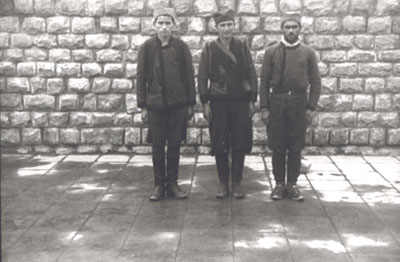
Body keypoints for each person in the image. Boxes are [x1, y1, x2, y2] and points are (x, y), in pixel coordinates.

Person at [259, 13, 321, 201]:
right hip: (277, 102)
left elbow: (316, 82)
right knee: (278, 146)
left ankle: (292, 184)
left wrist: (311, 107)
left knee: (295, 146)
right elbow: (264, 82)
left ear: (300, 29)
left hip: (298, 103)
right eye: (287, 27)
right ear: (282, 29)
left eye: (294, 27)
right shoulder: (272, 52)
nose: (291, 31)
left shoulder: (308, 53)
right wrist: (264, 107)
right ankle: (278, 184)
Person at [136, 8, 196, 201]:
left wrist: (190, 104)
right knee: (157, 146)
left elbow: (189, 76)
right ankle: (158, 185)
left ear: (174, 26)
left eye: (168, 23)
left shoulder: (181, 47)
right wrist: (143, 106)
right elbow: (141, 78)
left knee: (175, 146)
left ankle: (172, 183)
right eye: (160, 23)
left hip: (177, 105)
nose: (164, 27)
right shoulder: (146, 48)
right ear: (154, 25)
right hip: (155, 106)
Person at [198, 9, 258, 199]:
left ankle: (237, 184)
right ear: (216, 28)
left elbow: (251, 73)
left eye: (229, 25)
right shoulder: (209, 48)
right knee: (220, 142)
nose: (226, 29)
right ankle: (223, 183)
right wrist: (205, 102)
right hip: (218, 102)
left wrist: (252, 100)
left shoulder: (241, 47)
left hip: (240, 101)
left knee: (240, 142)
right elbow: (202, 77)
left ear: (234, 26)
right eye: (222, 25)